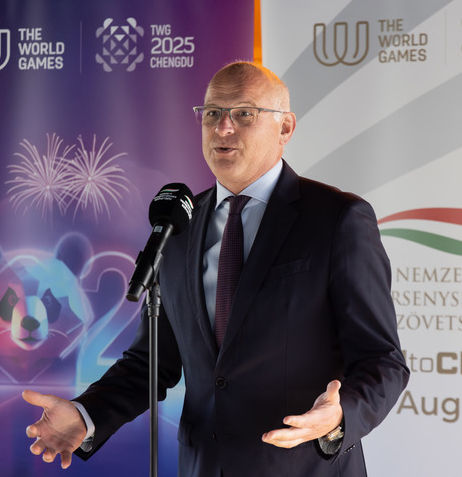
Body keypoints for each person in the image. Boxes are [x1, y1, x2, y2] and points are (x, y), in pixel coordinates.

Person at [23, 61, 409, 477]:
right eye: (212, 114)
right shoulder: (178, 226)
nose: (223, 128)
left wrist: (339, 415)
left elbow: (383, 361)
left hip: (303, 467)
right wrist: (86, 414)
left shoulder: (337, 219)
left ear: (285, 128)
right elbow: (150, 363)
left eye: (243, 113)